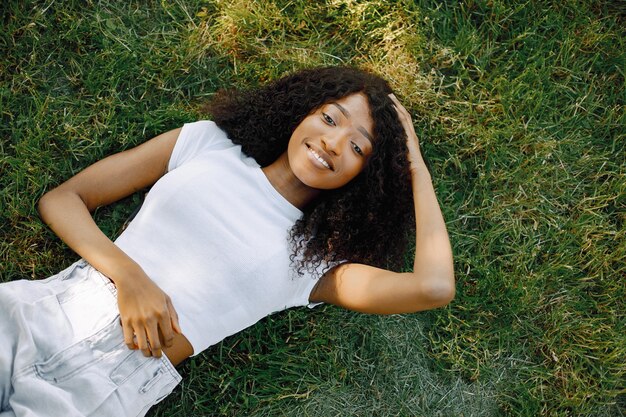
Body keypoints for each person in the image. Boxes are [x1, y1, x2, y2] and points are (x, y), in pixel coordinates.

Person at [0, 66, 455, 416]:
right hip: (44, 312)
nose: (334, 142)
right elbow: (63, 200)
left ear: (366, 173)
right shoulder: (208, 143)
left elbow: (433, 288)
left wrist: (414, 167)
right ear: (304, 109)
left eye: (358, 148)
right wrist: (129, 277)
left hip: (107, 384)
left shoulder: (318, 264)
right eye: (329, 117)